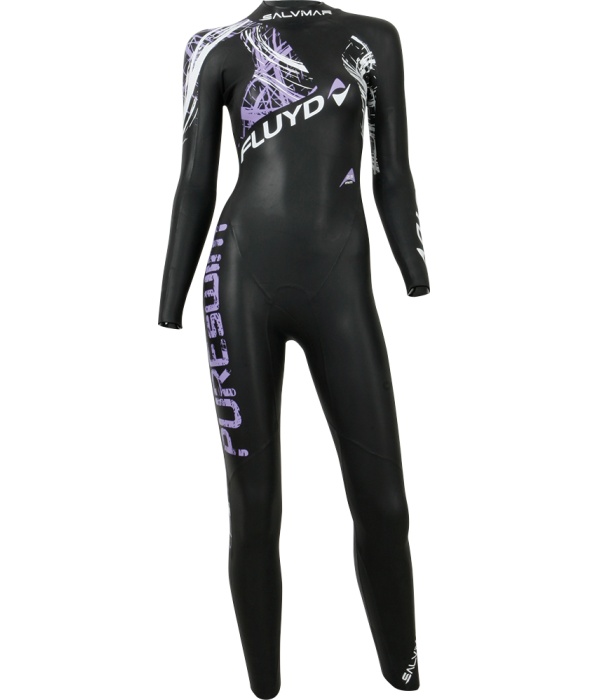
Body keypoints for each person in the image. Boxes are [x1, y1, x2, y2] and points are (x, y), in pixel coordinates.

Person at [158, 2, 429, 696]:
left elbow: (392, 170)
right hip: (240, 281)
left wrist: (413, 266)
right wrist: (170, 297)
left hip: (340, 286)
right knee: (255, 511)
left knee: (385, 505)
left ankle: (402, 672)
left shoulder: (372, 39)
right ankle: (266, 687)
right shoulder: (213, 46)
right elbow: (195, 180)